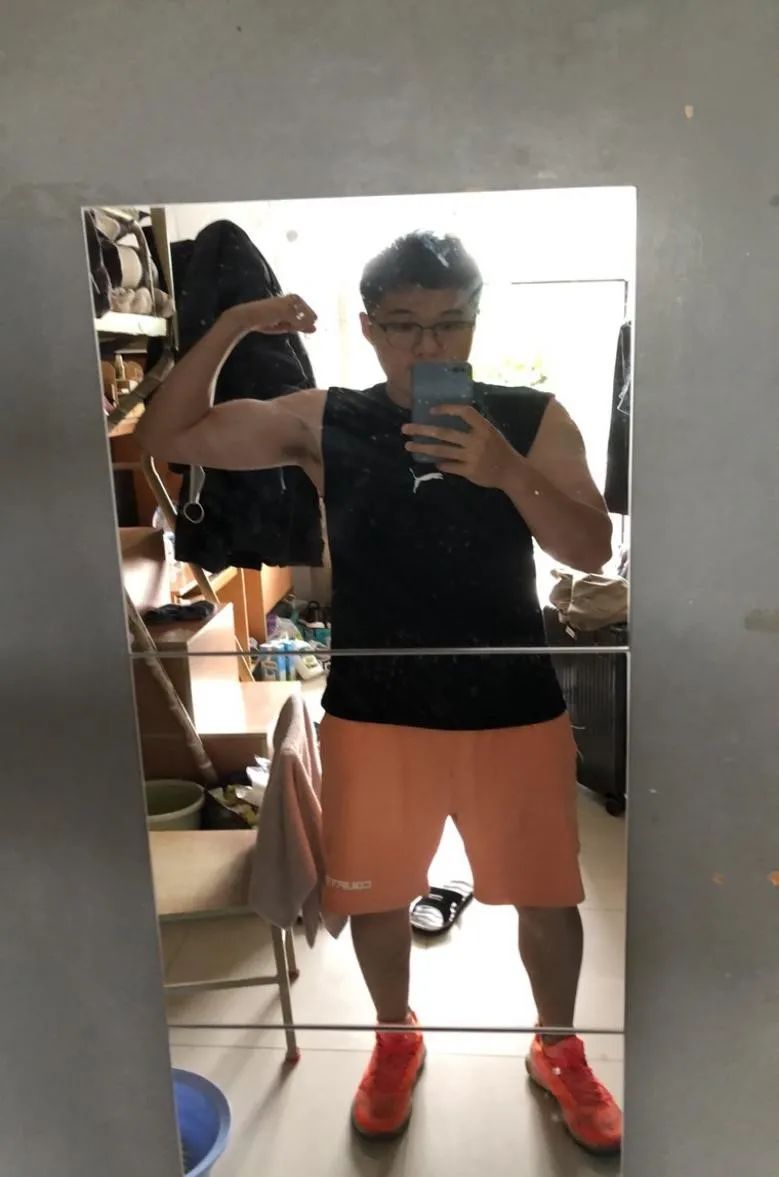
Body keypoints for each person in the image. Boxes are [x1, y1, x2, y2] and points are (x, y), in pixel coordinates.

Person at [137, 230, 622, 1155]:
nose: (427, 345)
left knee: (546, 895)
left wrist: (506, 472)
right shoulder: (327, 417)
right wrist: (236, 322)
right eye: (402, 325)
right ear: (367, 327)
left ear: (475, 319)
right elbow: (168, 436)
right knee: (376, 895)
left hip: (512, 702)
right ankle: (394, 1034)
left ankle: (557, 1045)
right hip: (374, 707)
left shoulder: (530, 416)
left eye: (449, 323)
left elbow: (590, 549)